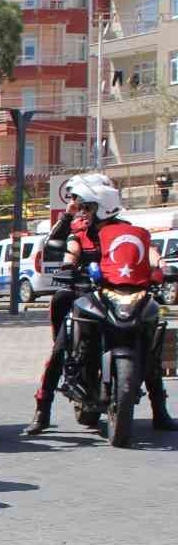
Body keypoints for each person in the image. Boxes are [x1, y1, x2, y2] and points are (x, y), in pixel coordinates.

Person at [26, 174, 174, 433]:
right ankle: (42, 410)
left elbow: (146, 250)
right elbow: (70, 249)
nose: (82, 211)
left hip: (123, 293)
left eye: (86, 207)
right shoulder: (79, 232)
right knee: (61, 347)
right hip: (88, 293)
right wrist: (69, 266)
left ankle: (160, 411)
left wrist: (160, 265)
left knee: (149, 347)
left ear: (101, 207)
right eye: (80, 206)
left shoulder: (126, 230)